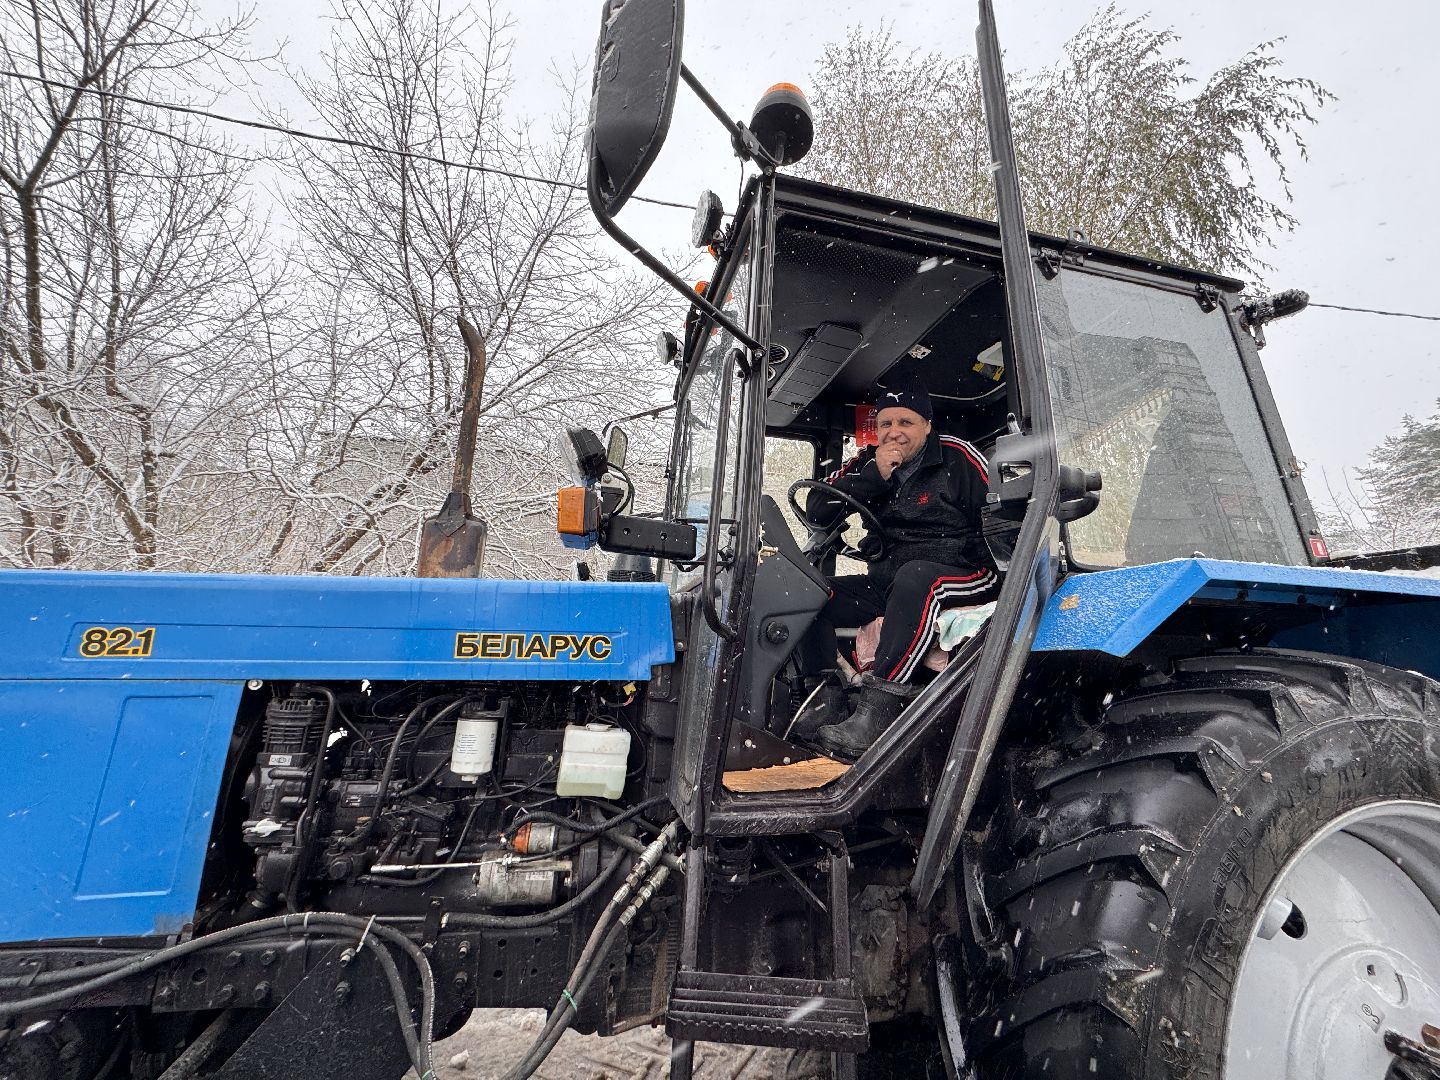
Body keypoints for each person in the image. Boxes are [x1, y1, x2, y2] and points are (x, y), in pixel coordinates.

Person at [796, 378, 1000, 762]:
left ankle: (879, 712)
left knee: (917, 576)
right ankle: (825, 700)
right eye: (886, 423)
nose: (894, 432)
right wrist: (873, 478)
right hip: (892, 579)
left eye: (905, 423)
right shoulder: (868, 463)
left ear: (926, 425)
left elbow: (1005, 510)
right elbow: (817, 508)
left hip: (969, 572)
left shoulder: (959, 457)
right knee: (807, 594)